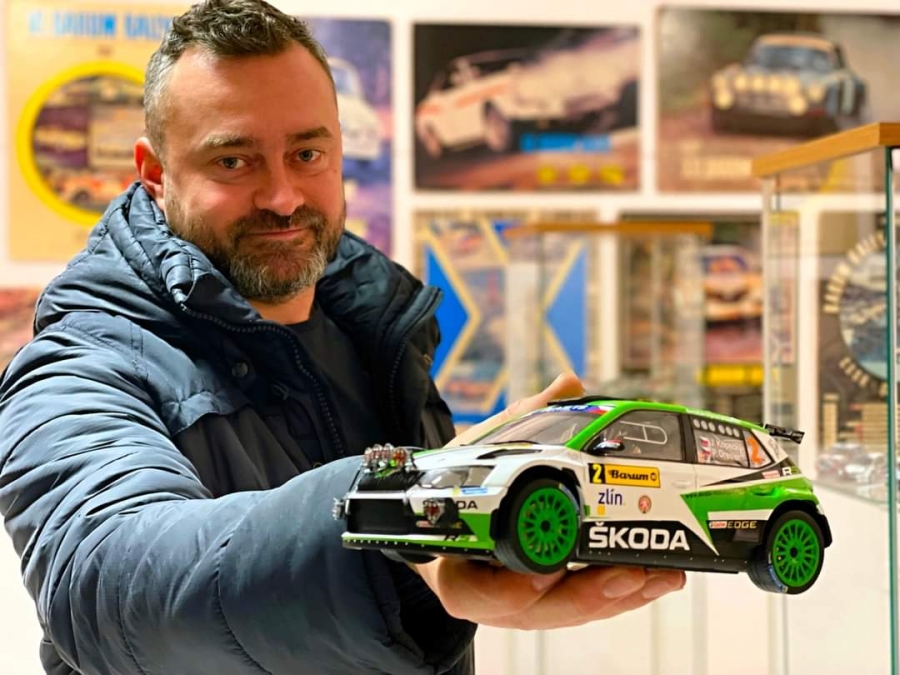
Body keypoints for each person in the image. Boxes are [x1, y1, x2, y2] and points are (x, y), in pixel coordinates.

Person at [0, 1, 685, 673]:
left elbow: (430, 587)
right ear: (155, 173)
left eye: (307, 153)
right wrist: (398, 514)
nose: (283, 196)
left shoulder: (380, 337)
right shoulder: (78, 364)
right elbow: (108, 585)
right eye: (234, 162)